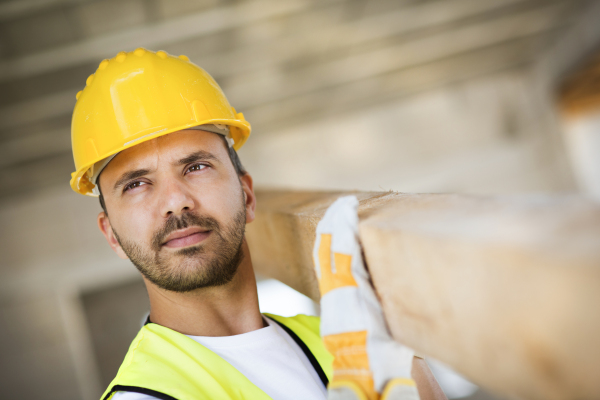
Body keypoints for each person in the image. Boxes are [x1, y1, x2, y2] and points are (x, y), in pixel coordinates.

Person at [70, 48, 445, 400]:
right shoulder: (144, 394)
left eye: (196, 166)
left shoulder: (343, 340)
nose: (175, 201)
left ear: (247, 196)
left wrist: (406, 357)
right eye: (136, 184)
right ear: (111, 235)